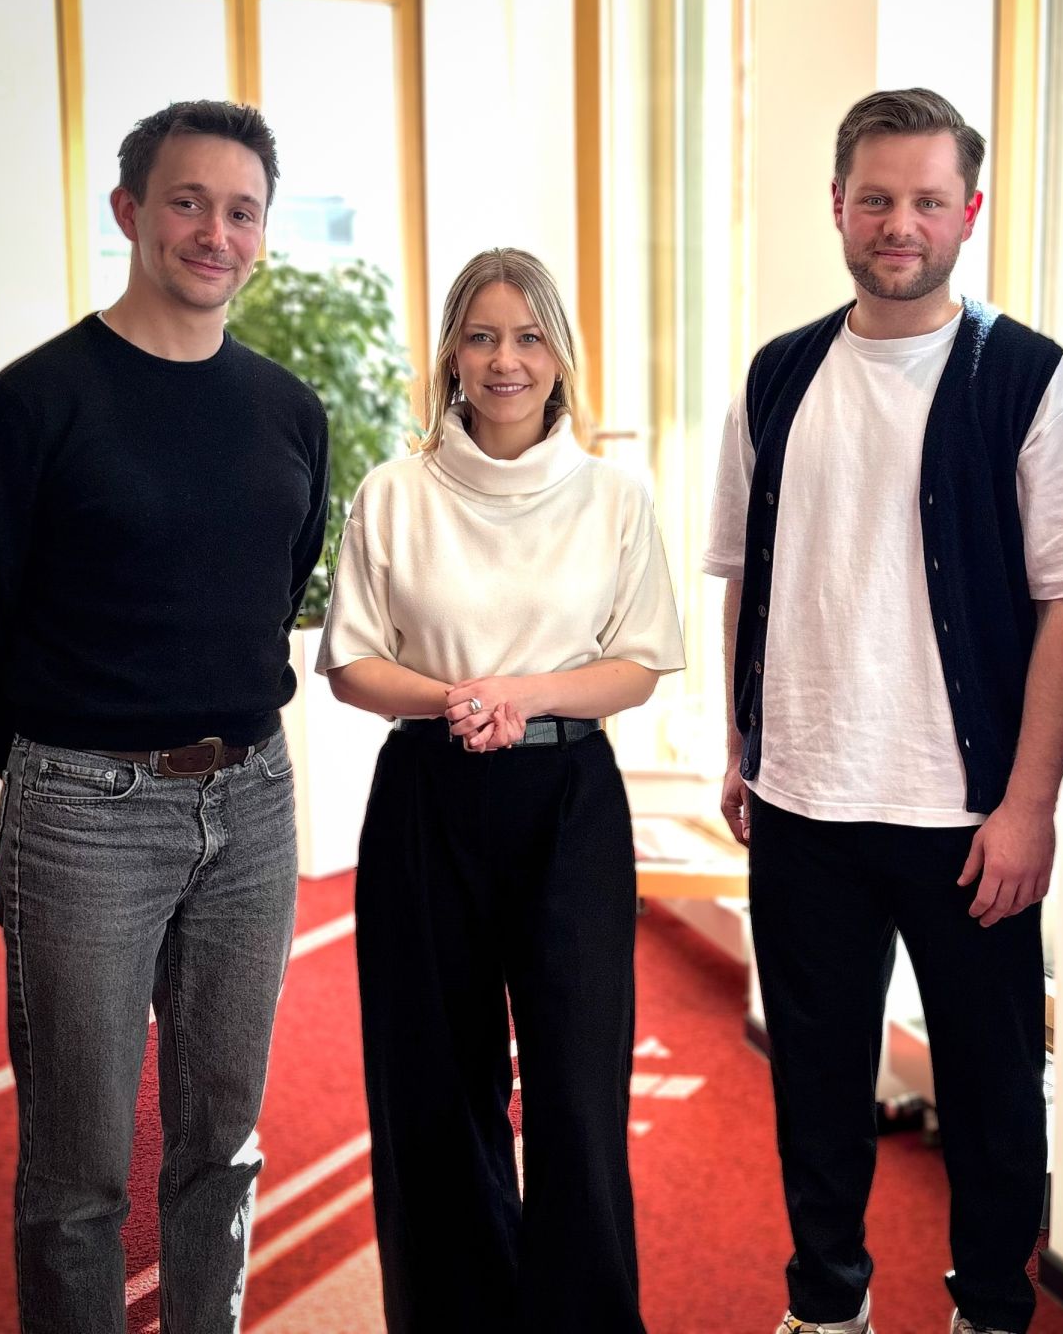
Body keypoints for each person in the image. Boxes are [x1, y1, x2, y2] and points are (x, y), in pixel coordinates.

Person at [704, 88, 1063, 1334]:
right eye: (877, 198)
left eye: (927, 200)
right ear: (837, 206)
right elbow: (746, 572)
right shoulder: (779, 374)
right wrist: (742, 750)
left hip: (968, 819)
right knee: (816, 1085)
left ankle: (994, 1310)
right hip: (802, 804)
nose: (900, 223)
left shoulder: (1031, 382)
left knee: (998, 1094)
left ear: (971, 211)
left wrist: (1029, 807)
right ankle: (828, 1305)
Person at [0, 100, 328, 1331]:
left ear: (262, 233)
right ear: (129, 212)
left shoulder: (288, 410)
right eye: (186, 202)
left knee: (224, 1141)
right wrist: (52, 765)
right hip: (84, 816)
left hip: (255, 804)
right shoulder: (34, 403)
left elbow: (282, 578)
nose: (213, 231)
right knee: (81, 1166)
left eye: (240, 210)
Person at [318, 246, 684, 1332]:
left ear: (560, 357)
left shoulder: (613, 496)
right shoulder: (394, 492)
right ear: (452, 357)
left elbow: (643, 660)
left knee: (575, 1093)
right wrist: (459, 703)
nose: (505, 358)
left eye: (528, 336)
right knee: (436, 1086)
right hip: (430, 798)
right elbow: (348, 663)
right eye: (481, 335)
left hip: (568, 799)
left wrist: (519, 693)